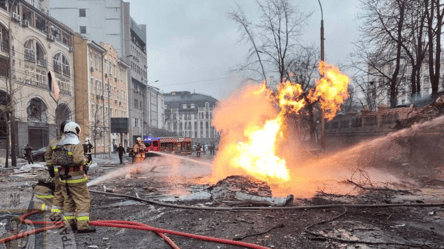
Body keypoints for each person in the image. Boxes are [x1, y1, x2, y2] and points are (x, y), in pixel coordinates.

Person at [54, 121, 95, 233]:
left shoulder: (60, 144)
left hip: (63, 178)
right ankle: (82, 226)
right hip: (76, 178)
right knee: (83, 201)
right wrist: (86, 160)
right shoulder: (76, 145)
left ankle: (69, 224)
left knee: (68, 201)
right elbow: (78, 160)